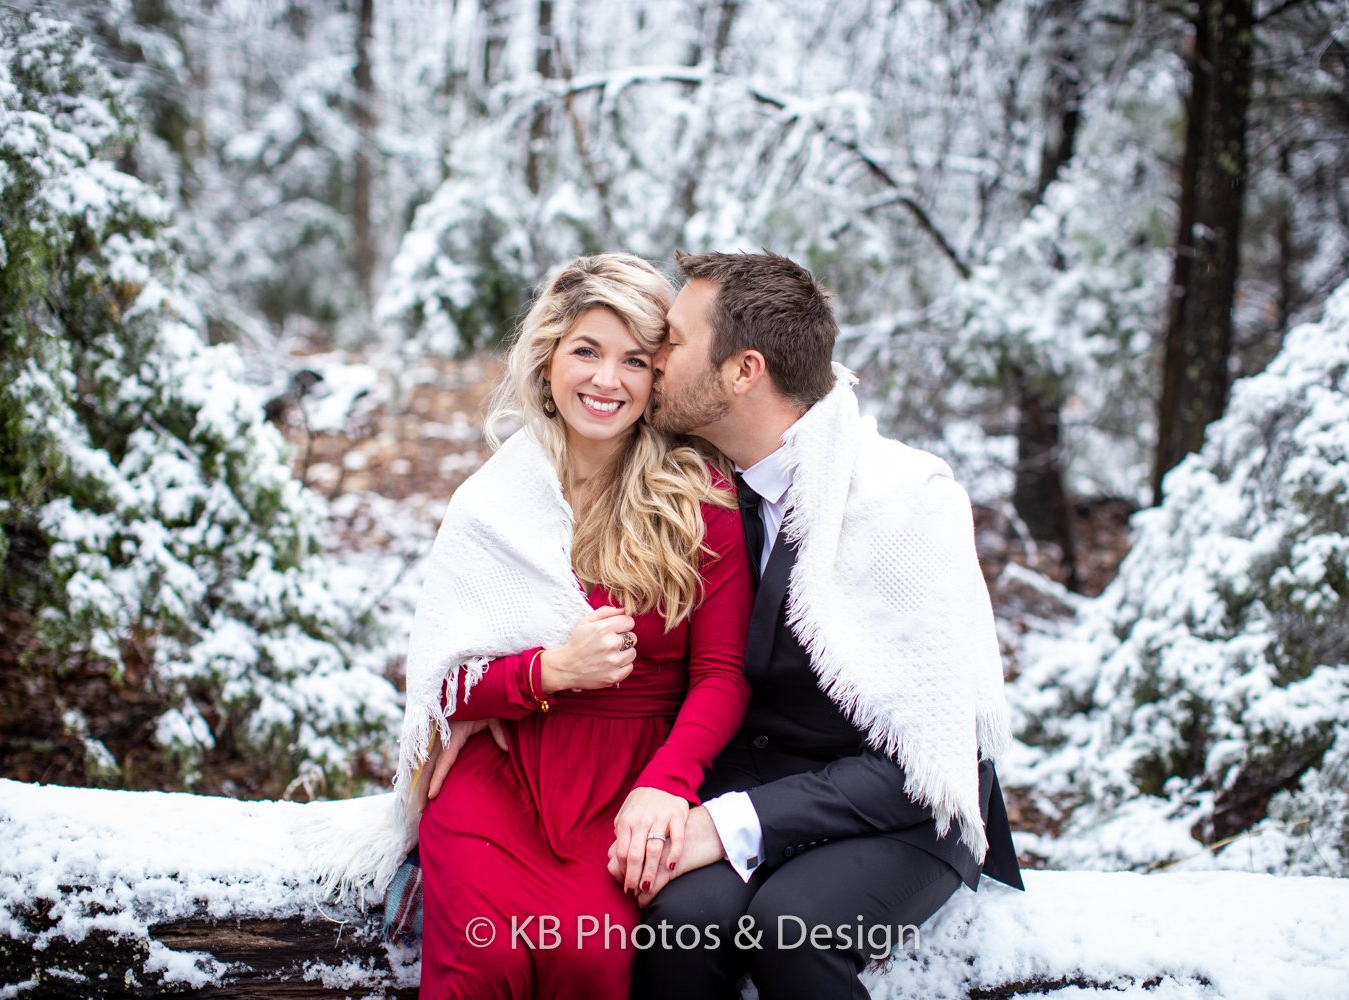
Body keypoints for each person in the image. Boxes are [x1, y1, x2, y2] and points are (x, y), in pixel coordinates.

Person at [621, 251, 1024, 1000]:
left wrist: (729, 825)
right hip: (747, 780)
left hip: (901, 810)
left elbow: (934, 760)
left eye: (671, 340)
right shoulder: (687, 481)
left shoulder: (907, 501)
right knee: (675, 927)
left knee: (790, 930)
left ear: (743, 371)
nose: (653, 357)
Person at [386, 254, 754, 1000]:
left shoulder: (699, 496)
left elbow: (722, 676)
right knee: (481, 967)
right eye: (586, 351)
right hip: (502, 775)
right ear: (549, 356)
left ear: (658, 376)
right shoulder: (496, 500)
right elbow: (442, 685)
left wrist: (666, 786)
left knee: (590, 961)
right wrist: (546, 672)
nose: (606, 381)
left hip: (629, 782)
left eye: (634, 360)